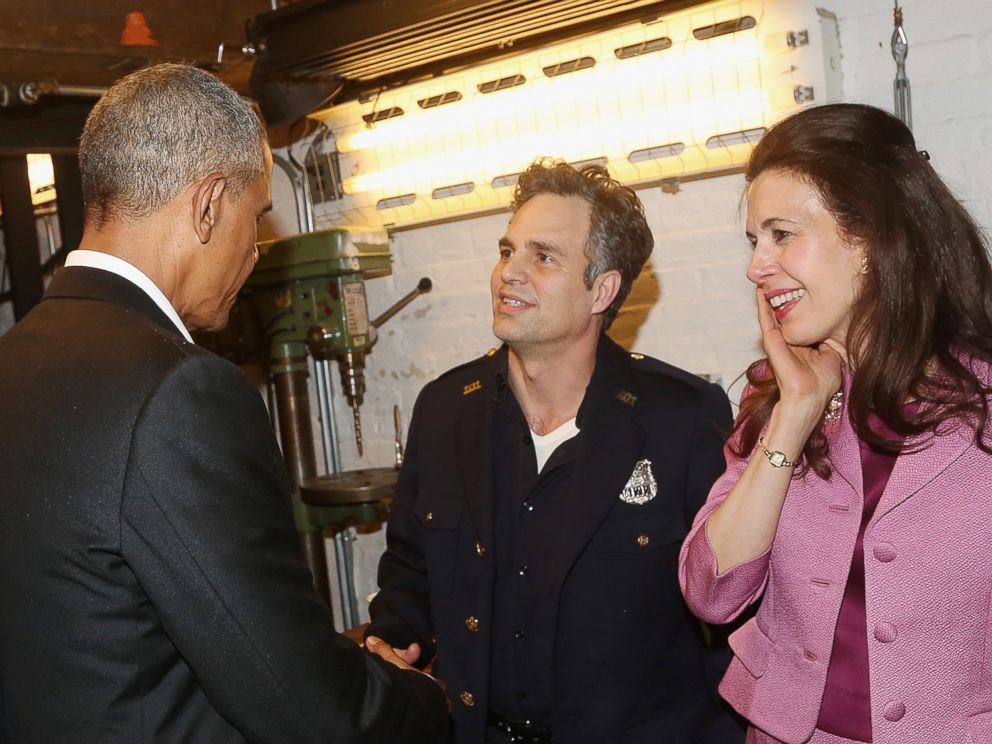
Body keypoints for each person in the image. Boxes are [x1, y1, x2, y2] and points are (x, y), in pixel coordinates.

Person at [0, 63, 448, 744]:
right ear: (209, 204)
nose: (254, 250)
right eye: (256, 215)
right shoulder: (178, 389)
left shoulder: (17, 357)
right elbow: (304, 707)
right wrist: (424, 701)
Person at [365, 159, 743, 744]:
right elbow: (410, 568)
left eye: (542, 257)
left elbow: (730, 619)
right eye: (506, 250)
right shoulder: (444, 409)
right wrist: (393, 644)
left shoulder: (682, 418)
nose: (508, 273)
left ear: (603, 289)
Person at [678, 102, 992, 744]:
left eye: (781, 233)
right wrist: (792, 418)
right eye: (753, 240)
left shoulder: (984, 393)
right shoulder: (774, 397)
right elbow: (711, 592)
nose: (755, 266)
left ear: (871, 237)